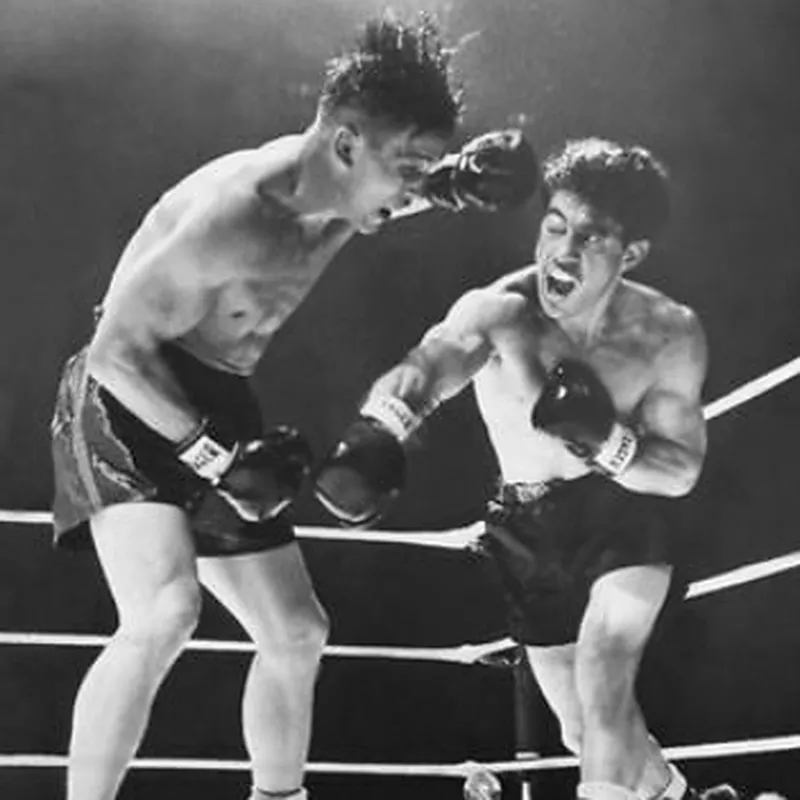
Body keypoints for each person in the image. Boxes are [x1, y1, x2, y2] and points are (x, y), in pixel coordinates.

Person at [49, 11, 538, 800]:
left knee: (298, 631)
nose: (413, 185)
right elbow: (115, 354)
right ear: (346, 144)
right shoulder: (238, 216)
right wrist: (215, 458)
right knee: (165, 612)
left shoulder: (345, 189)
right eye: (410, 165)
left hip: (217, 393)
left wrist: (452, 183)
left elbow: (389, 194)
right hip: (128, 394)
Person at [314, 137, 733, 800]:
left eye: (590, 239)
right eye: (555, 226)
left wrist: (609, 443)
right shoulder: (502, 313)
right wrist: (376, 434)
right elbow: (431, 364)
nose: (561, 253)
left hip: (620, 520)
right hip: (526, 531)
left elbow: (679, 470)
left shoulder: (669, 334)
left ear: (631, 255)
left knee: (604, 676)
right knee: (584, 728)